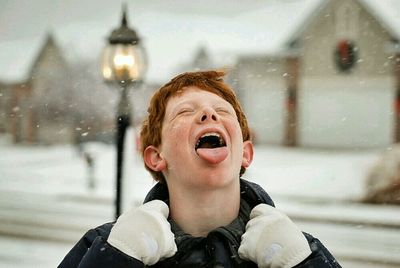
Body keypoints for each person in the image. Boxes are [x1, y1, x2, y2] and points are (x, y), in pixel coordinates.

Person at [59, 70, 341, 267]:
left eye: (222, 110)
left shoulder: (299, 251)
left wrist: (303, 264)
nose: (208, 114)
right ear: (156, 157)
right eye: (185, 111)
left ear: (246, 153)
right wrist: (116, 258)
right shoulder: (107, 246)